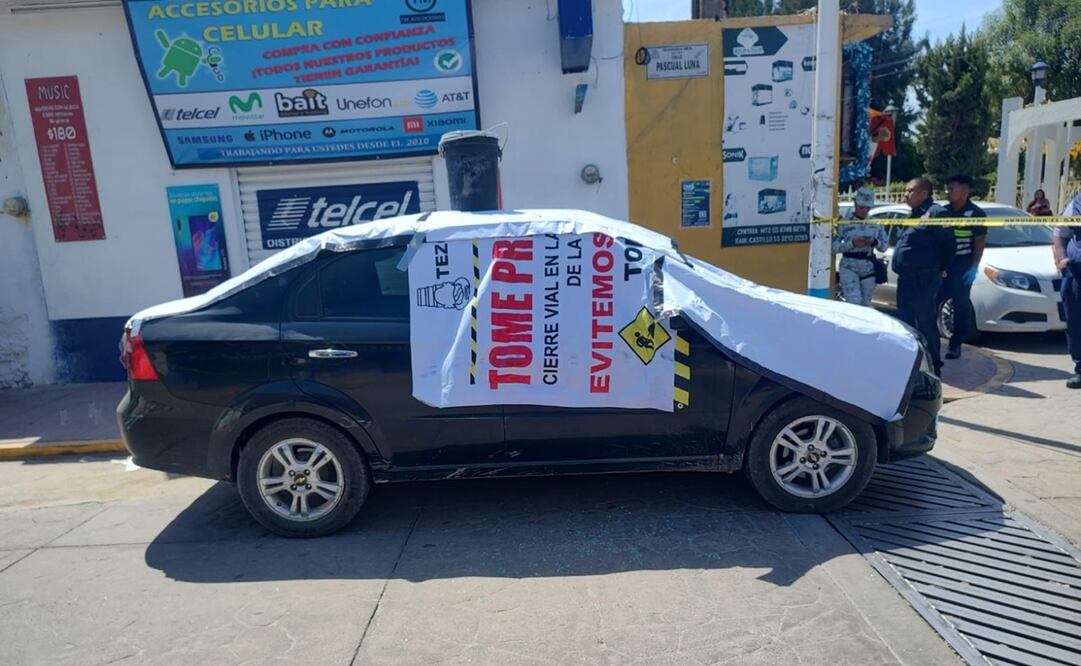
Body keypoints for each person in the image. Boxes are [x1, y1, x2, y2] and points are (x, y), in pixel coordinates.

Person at [893, 178, 955, 375]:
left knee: (925, 324)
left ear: (924, 193)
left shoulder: (937, 213)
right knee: (906, 324)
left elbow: (949, 245)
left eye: (910, 191)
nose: (906, 195)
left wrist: (940, 268)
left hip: (924, 280)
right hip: (906, 280)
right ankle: (910, 366)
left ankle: (933, 367)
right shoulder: (913, 214)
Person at [935, 174, 987, 359]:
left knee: (960, 306)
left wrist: (974, 266)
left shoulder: (976, 214)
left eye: (952, 189)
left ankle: (955, 344)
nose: (948, 192)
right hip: (943, 265)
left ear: (966, 190)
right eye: (947, 188)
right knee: (933, 302)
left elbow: (980, 242)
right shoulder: (943, 212)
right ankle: (932, 342)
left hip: (963, 265)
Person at [832, 187, 888, 307]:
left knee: (865, 304)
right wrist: (852, 244)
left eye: (868, 208)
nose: (864, 211)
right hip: (849, 266)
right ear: (855, 204)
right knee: (854, 302)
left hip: (868, 267)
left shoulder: (876, 223)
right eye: (861, 207)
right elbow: (833, 247)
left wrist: (874, 242)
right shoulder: (843, 223)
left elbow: (884, 247)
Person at [1053, 191, 1081, 389]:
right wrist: (1060, 258)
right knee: (1075, 320)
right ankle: (1080, 368)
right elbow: (1060, 233)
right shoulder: (1078, 202)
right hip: (1076, 272)